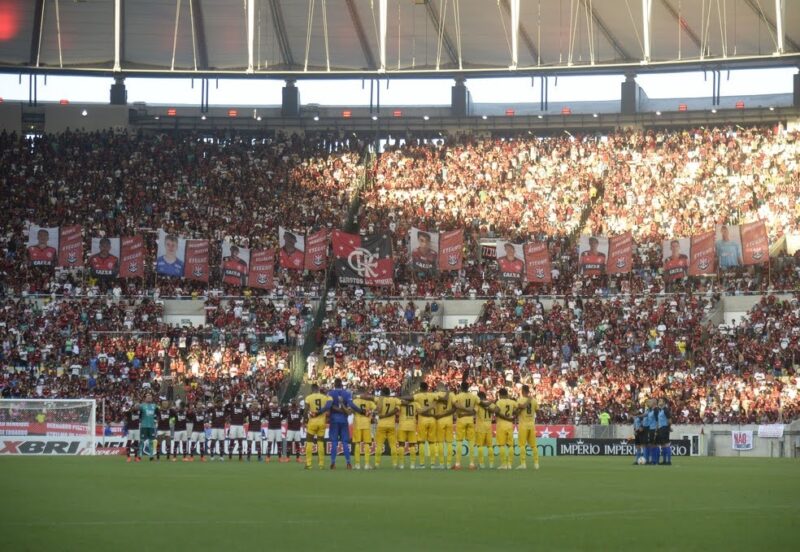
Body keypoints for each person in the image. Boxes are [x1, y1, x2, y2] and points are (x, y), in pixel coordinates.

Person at [319, 378, 365, 469]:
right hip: (344, 419)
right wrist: (360, 411)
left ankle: (333, 462)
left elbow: (328, 406)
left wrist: (318, 412)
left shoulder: (330, 393)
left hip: (334, 420)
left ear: (334, 384)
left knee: (334, 442)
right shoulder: (347, 393)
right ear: (342, 385)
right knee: (344, 442)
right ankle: (348, 463)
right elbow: (351, 405)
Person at [451, 381, 479, 470]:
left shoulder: (458, 396)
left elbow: (454, 405)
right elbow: (476, 409)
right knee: (471, 442)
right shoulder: (474, 397)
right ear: (468, 387)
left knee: (459, 441)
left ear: (461, 388)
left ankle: (458, 464)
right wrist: (469, 412)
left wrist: (463, 412)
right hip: (470, 419)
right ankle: (471, 464)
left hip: (461, 419)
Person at [373, 387, 401, 469]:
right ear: (389, 393)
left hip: (381, 425)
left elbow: (377, 409)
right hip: (391, 425)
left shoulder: (379, 399)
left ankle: (377, 464)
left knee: (379, 445)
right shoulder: (395, 400)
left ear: (382, 393)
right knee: (393, 445)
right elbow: (397, 409)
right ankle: (395, 464)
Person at [412, 382, 437, 468]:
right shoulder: (433, 395)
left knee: (421, 442)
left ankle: (422, 464)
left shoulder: (417, 396)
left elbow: (410, 399)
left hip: (422, 420)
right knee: (432, 442)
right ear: (427, 387)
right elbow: (441, 398)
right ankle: (433, 464)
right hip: (432, 420)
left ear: (420, 388)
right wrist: (432, 406)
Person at [304, 383, 329, 470]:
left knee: (309, 442)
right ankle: (321, 464)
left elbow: (305, 410)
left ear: (312, 389)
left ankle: (308, 464)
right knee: (321, 442)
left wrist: (305, 421)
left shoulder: (309, 397)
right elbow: (327, 408)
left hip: (312, 422)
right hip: (322, 422)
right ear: (318, 389)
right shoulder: (324, 397)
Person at [351, 387, 376, 469]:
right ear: (364, 392)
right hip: (366, 424)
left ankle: (357, 464)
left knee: (357, 443)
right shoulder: (369, 401)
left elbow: (351, 411)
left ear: (358, 391)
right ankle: (367, 464)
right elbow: (376, 409)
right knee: (367, 443)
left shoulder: (354, 401)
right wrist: (370, 413)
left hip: (357, 423)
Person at [515, 384, 539, 470]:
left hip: (523, 425)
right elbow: (538, 411)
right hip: (531, 424)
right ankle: (536, 464)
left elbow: (517, 411)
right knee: (533, 446)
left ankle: (523, 464)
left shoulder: (520, 400)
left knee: (522, 445)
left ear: (522, 391)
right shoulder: (534, 400)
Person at [494, 388, 517, 470]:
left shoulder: (499, 402)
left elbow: (496, 411)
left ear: (500, 395)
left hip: (501, 424)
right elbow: (518, 409)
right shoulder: (512, 402)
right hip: (510, 425)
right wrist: (514, 416)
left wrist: (504, 417)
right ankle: (510, 464)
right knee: (510, 445)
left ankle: (504, 464)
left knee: (501, 445)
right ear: (507, 394)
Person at [434, 384, 455, 469]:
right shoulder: (452, 394)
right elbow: (455, 407)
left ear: (438, 388)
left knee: (440, 443)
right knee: (449, 443)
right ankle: (449, 463)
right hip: (449, 421)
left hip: (439, 421)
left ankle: (442, 464)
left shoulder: (435, 394)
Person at [474, 391, 495, 469]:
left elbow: (474, 412)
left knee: (480, 446)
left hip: (480, 426)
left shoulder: (478, 404)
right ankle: (491, 464)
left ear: (479, 397)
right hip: (489, 426)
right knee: (490, 446)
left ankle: (481, 464)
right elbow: (496, 410)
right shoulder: (491, 404)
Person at [265, 398, 285, 463]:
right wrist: (268, 419)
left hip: (278, 428)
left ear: (277, 403)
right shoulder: (269, 409)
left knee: (279, 443)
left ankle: (280, 457)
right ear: (272, 403)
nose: (275, 404)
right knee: (269, 443)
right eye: (274, 403)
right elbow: (263, 414)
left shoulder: (280, 409)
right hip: (271, 428)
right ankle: (268, 457)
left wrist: (281, 419)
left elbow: (286, 413)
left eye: (276, 403)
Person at [227, 396, 247, 461]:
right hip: (233, 425)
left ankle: (240, 457)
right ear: (236, 399)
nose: (239, 400)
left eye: (240, 399)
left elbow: (247, 412)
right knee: (232, 440)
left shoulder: (243, 405)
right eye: (238, 399)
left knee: (240, 441)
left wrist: (243, 416)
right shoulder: (232, 405)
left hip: (240, 425)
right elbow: (226, 408)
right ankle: (230, 456)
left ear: (241, 400)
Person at [138, 393, 157, 461]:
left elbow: (158, 414)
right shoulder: (142, 406)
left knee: (151, 441)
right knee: (142, 441)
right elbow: (138, 414)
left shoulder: (154, 406)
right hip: (144, 426)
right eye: (148, 397)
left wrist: (156, 420)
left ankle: (151, 456)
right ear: (145, 398)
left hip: (151, 426)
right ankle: (139, 455)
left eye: (150, 397)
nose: (149, 398)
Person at [657, 399, 672, 465]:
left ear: (664, 403)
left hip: (664, 428)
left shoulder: (666, 410)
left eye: (661, 401)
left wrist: (668, 428)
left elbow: (670, 420)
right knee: (663, 445)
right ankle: (664, 460)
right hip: (661, 428)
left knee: (666, 444)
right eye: (659, 401)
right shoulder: (660, 410)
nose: (659, 402)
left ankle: (669, 461)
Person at [643, 399, 658, 465]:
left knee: (654, 445)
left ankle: (654, 460)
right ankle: (650, 460)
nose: (649, 403)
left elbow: (658, 420)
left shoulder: (656, 410)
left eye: (650, 402)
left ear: (654, 403)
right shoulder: (650, 410)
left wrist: (656, 430)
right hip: (650, 428)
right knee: (650, 444)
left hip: (654, 429)